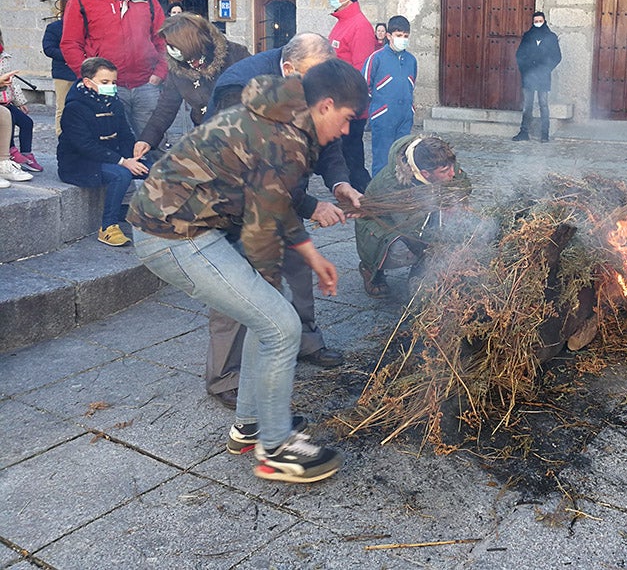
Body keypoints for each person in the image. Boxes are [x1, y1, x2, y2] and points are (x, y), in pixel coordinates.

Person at [128, 61, 368, 484]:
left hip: (190, 222)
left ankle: (251, 424)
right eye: (348, 120)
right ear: (326, 105)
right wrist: (277, 287)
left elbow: (275, 198)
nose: (347, 131)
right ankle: (275, 451)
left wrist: (312, 258)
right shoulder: (287, 137)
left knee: (269, 320)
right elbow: (263, 232)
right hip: (173, 232)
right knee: (280, 325)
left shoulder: (282, 114)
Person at [203, 33, 362, 409]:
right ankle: (226, 375)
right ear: (289, 70)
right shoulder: (238, 89)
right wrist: (311, 207)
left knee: (297, 264)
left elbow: (330, 141)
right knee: (237, 284)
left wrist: (339, 183)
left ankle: (305, 340)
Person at [60, 0, 168, 139]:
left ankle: (155, 171)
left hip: (147, 84)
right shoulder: (81, 1)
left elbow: (163, 40)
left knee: (154, 141)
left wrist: (159, 74)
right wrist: (91, 79)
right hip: (106, 87)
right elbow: (70, 44)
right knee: (114, 141)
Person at [356, 134, 471, 297]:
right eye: (445, 171)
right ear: (425, 174)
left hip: (420, 214)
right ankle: (370, 269)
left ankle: (425, 268)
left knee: (460, 224)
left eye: (452, 167)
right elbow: (414, 228)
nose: (452, 173)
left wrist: (454, 201)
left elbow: (464, 183)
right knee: (403, 249)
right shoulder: (393, 184)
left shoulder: (443, 160)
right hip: (383, 226)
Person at [132, 13, 251, 159]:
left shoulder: (235, 54)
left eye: (172, 45)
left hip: (242, 134)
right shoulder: (177, 68)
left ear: (189, 41)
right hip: (206, 136)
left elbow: (258, 94)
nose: (170, 49)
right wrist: (147, 139)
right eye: (168, 45)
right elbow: (165, 107)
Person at [57, 57, 148, 246]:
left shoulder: (113, 102)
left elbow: (124, 133)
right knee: (121, 174)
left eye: (114, 82)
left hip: (110, 156)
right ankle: (108, 227)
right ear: (88, 83)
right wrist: (123, 161)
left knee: (154, 166)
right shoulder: (74, 108)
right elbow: (85, 146)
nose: (111, 87)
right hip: (79, 163)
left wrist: (134, 153)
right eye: (105, 82)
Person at [327, 0, 378, 192]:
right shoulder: (341, 22)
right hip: (337, 100)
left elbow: (361, 70)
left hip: (350, 104)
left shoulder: (360, 26)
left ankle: (366, 196)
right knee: (341, 153)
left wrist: (354, 106)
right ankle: (348, 193)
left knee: (353, 154)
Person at [362, 15, 417, 176]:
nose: (403, 39)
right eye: (399, 36)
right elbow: (365, 85)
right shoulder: (376, 58)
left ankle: (399, 195)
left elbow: (411, 85)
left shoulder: (411, 60)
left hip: (405, 117)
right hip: (383, 116)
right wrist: (379, 108)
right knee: (382, 159)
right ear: (388, 36)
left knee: (402, 159)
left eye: (406, 36)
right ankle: (379, 196)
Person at [512, 11, 561, 143]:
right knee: (527, 105)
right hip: (528, 76)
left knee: (543, 105)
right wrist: (525, 70)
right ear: (533, 22)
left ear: (544, 21)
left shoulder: (551, 37)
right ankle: (524, 132)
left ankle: (544, 134)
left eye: (540, 21)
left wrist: (546, 69)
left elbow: (557, 56)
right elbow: (519, 55)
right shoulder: (528, 36)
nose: (538, 23)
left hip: (543, 77)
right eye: (536, 21)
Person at [0, 40, 42, 172]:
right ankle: (10, 153)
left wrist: (20, 102)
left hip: (8, 101)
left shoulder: (4, 57)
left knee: (26, 122)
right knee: (8, 123)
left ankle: (26, 154)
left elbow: (13, 82)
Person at [43, 14, 76, 137]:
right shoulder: (54, 27)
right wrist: (70, 56)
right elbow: (49, 48)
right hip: (63, 73)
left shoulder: (84, 26)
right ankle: (61, 135)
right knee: (62, 106)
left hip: (84, 71)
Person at [0, 89, 33, 187]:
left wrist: (20, 102)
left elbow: (13, 84)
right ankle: (12, 151)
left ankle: (3, 163)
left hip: (7, 103)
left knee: (5, 114)